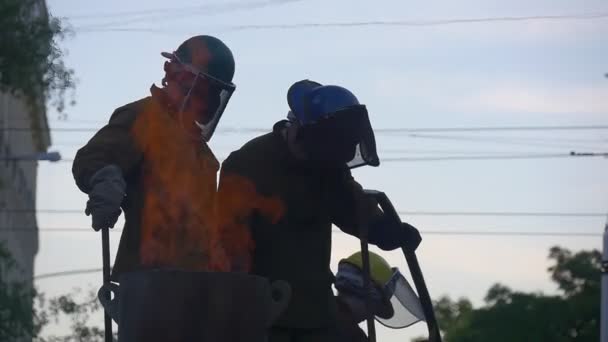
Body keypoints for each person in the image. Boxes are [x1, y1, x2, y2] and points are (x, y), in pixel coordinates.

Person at [216, 79, 422, 341]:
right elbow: (229, 245)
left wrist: (385, 230)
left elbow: (352, 207)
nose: (333, 163)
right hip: (264, 313)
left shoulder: (328, 160)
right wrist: (239, 311)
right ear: (301, 133)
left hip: (317, 310)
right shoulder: (248, 165)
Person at [72, 35, 236, 279]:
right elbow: (92, 158)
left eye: (216, 93)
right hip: (147, 282)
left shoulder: (202, 153)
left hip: (196, 286)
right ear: (182, 78)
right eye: (207, 91)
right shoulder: (146, 118)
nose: (210, 101)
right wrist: (105, 178)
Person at [334, 251, 426, 341]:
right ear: (363, 294)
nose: (369, 316)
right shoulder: (352, 335)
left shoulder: (323, 309)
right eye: (375, 306)